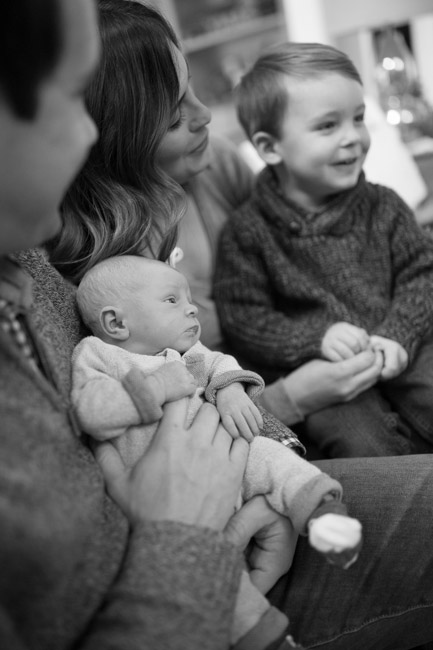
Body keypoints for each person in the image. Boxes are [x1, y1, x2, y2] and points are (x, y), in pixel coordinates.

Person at [2, 1, 433, 649]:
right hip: (205, 568)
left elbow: (200, 364)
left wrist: (273, 473)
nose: (204, 119)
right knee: (356, 429)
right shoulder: (78, 272)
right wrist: (298, 380)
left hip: (246, 484)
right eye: (175, 112)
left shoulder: (32, 262)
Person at [47, 0, 385, 439]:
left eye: (192, 88)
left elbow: (302, 262)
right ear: (116, 143)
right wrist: (295, 397)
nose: (204, 115)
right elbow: (163, 418)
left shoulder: (217, 166)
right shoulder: (94, 272)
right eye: (173, 119)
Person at [72, 253, 362, 645]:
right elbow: (92, 411)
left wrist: (227, 389)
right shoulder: (98, 355)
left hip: (229, 461)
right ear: (116, 322)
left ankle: (322, 514)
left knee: (272, 459)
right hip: (168, 496)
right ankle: (270, 639)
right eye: (172, 300)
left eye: (189, 297)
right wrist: (158, 387)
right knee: (225, 585)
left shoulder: (189, 353)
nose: (191, 307)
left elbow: (220, 363)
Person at [214, 41, 433, 459]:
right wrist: (316, 337)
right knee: (359, 443)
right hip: (324, 374)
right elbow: (245, 319)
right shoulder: (247, 232)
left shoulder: (384, 205)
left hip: (404, 345)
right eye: (328, 126)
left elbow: (422, 274)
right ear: (269, 147)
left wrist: (400, 333)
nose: (353, 138)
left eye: (358, 118)